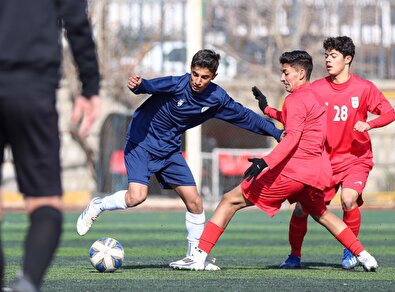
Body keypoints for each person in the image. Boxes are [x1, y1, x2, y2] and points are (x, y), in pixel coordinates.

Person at [170, 50, 378, 272]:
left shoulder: (295, 99)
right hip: (314, 174)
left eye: (285, 72)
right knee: (322, 215)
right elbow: (299, 124)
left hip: (292, 172)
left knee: (230, 200)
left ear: (300, 73)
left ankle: (198, 256)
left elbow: (292, 138)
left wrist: (264, 162)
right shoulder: (316, 97)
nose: (282, 77)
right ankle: (365, 256)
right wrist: (266, 109)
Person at [76, 49, 283, 270]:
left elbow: (244, 116)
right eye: (195, 74)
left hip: (169, 150)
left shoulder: (217, 98)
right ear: (190, 70)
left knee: (195, 202)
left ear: (213, 77)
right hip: (141, 143)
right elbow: (151, 86)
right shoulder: (178, 85)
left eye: (204, 77)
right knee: (136, 197)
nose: (197, 81)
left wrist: (277, 133)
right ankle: (98, 205)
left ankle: (193, 256)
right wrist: (139, 85)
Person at [0, 0, 101, 290]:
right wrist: (90, 87)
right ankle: (29, 281)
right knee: (45, 201)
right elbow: (78, 25)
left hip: (30, 86)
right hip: (33, 92)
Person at [278, 36, 395, 269]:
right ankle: (294, 256)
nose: (328, 61)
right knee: (302, 209)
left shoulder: (364, 88)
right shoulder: (317, 88)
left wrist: (369, 124)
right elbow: (295, 112)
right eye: (326, 56)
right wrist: (269, 111)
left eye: (333, 56)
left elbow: (389, 113)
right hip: (324, 162)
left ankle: (350, 252)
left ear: (348, 59)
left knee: (349, 199)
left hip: (356, 159)